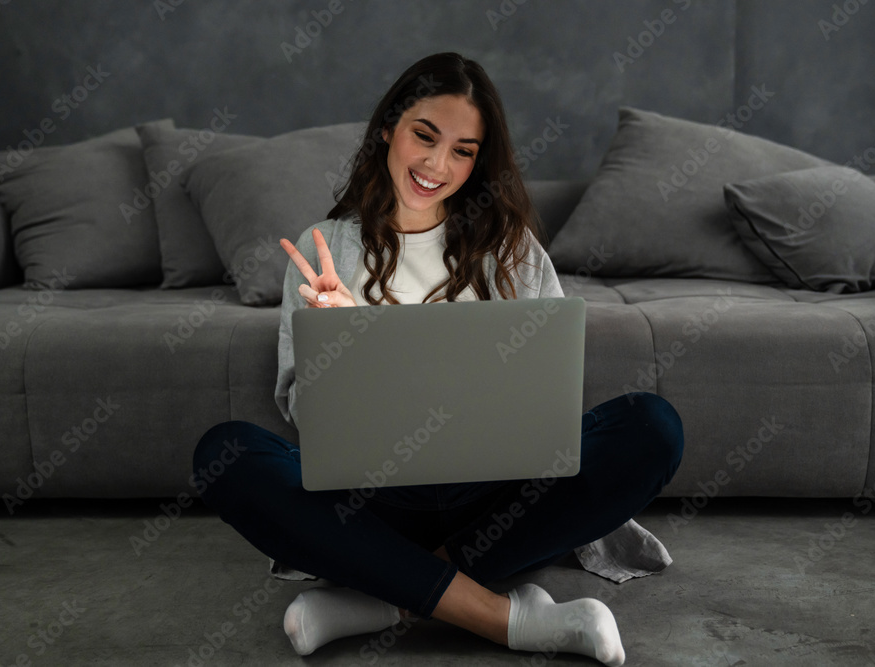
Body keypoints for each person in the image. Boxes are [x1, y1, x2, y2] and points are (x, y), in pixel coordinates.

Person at [193, 52, 684, 665]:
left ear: (479, 160)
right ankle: (508, 619)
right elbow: (305, 417)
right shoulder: (326, 252)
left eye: (462, 150)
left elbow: (550, 398)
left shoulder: (512, 249)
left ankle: (384, 599)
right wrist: (346, 336)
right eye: (424, 136)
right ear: (388, 129)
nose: (437, 165)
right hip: (373, 502)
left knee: (652, 426)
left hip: (495, 503)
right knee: (225, 454)